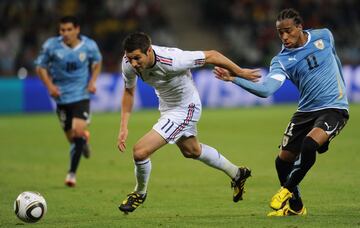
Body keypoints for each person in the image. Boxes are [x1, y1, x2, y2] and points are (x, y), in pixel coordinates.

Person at [214, 8, 349, 216]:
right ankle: (296, 207)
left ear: (299, 27)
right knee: (282, 161)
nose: (284, 37)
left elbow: (334, 58)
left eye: (288, 31)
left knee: (309, 145)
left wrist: (342, 95)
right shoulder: (281, 61)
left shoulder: (324, 35)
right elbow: (266, 90)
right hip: (306, 111)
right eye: (280, 33)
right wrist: (234, 78)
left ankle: (286, 190)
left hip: (334, 107)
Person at [117, 32, 260, 213]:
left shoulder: (174, 59)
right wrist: (123, 126)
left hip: (186, 107)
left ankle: (139, 193)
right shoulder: (128, 64)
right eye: (130, 59)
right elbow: (129, 92)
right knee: (192, 151)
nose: (134, 64)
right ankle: (237, 173)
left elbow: (212, 55)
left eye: (137, 58)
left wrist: (239, 72)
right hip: (167, 107)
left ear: (149, 51)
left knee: (140, 151)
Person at [35, 16, 102, 187]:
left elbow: (97, 62)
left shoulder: (89, 45)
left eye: (68, 30)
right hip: (61, 98)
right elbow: (40, 67)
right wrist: (49, 86)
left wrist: (92, 81)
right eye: (62, 30)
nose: (65, 33)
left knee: (78, 132)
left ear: (77, 29)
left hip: (81, 96)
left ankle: (71, 174)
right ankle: (83, 142)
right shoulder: (51, 46)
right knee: (72, 138)